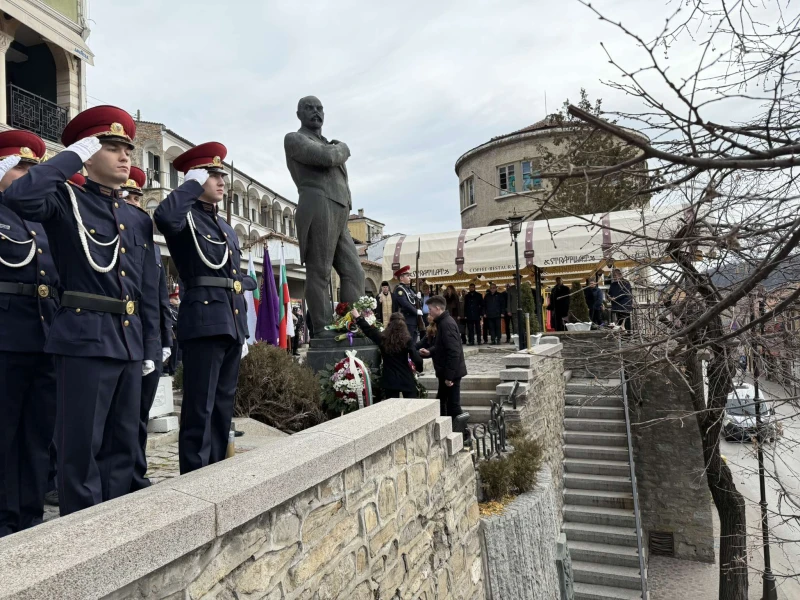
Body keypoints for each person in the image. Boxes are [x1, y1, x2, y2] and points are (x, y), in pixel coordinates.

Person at [3, 106, 160, 516]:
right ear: (89, 154)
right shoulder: (64, 198)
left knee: (123, 447)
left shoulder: (135, 217)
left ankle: (118, 528)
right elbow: (19, 195)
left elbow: (144, 290)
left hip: (126, 340)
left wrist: (148, 345)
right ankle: (84, 541)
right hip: (83, 338)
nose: (126, 156)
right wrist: (71, 156)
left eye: (128, 148)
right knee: (81, 453)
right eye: (112, 147)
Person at [153, 142, 255, 475]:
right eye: (212, 175)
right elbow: (164, 217)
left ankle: (215, 473)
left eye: (221, 175)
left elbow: (231, 276)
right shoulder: (185, 219)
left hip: (229, 322)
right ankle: (196, 477)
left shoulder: (226, 228)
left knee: (223, 406)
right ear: (197, 179)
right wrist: (191, 185)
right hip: (203, 321)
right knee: (200, 407)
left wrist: (243, 330)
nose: (221, 181)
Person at [0, 132, 59, 535]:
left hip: (44, 333)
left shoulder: (41, 220)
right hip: (5, 335)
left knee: (39, 433)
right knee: (4, 432)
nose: (27, 174)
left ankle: (31, 514)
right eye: (20, 166)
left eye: (32, 169)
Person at [284, 96, 365, 337]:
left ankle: (354, 324)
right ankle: (322, 329)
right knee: (319, 272)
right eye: (309, 108)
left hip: (339, 210)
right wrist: (343, 148)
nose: (316, 112)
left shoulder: (326, 142)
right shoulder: (295, 139)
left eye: (320, 109)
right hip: (318, 204)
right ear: (299, 113)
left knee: (355, 272)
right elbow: (327, 158)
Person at [123, 167, 174, 491]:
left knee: (140, 414)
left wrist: (165, 339)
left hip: (151, 339)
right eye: (129, 195)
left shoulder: (150, 245)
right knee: (119, 416)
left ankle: (135, 473)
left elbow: (158, 297)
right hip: (124, 334)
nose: (134, 201)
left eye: (138, 196)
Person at [418, 296, 468, 430]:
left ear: (438, 308)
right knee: (442, 402)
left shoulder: (446, 324)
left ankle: (464, 433)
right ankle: (447, 429)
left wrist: (449, 377)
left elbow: (454, 351)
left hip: (450, 373)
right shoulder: (443, 322)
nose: (429, 313)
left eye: (430, 310)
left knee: (453, 406)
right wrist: (430, 352)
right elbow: (442, 346)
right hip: (445, 372)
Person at [352, 308, 422, 398]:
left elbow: (369, 330)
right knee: (411, 405)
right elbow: (416, 358)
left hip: (390, 378)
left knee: (391, 408)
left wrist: (358, 317)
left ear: (390, 323)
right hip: (406, 377)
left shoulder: (382, 338)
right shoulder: (407, 339)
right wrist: (419, 368)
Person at [392, 265, 422, 341]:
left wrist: (418, 298)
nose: (410, 278)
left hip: (414, 320)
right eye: (407, 276)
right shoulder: (399, 290)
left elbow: (415, 303)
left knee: (413, 342)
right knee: (408, 342)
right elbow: (405, 304)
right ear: (401, 278)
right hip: (407, 320)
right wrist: (416, 311)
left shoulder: (409, 290)